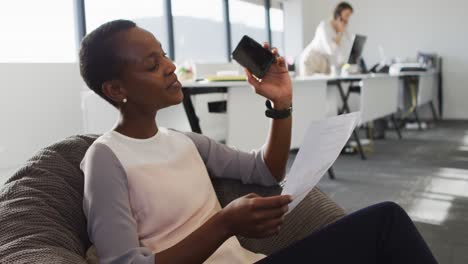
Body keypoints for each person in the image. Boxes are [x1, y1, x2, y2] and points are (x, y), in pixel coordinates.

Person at [80, 19, 437, 264]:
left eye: (165, 54)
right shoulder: (106, 158)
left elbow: (266, 170)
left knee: (384, 232)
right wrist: (225, 224)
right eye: (152, 64)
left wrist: (280, 102)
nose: (171, 67)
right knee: (385, 224)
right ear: (116, 89)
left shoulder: (184, 141)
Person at [299, 2, 354, 75]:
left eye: (349, 16)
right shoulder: (324, 26)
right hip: (311, 61)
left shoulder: (341, 30)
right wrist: (340, 33)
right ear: (338, 14)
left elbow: (341, 51)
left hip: (324, 62)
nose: (347, 20)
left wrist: (345, 65)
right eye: (346, 15)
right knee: (311, 86)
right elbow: (330, 50)